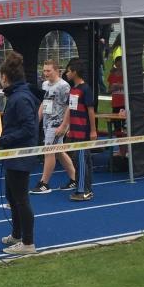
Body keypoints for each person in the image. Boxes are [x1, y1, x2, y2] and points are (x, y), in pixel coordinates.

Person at [0, 51, 40, 253]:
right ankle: (16, 235)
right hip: (13, 153)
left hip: (21, 154)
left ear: (5, 77)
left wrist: (4, 140)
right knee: (12, 196)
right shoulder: (17, 95)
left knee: (21, 199)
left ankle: (28, 243)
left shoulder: (20, 97)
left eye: (0, 77)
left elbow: (29, 128)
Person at [31, 59, 77, 195]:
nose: (46, 73)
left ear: (57, 71)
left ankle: (44, 183)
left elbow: (70, 106)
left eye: (48, 71)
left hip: (57, 124)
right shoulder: (44, 84)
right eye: (44, 70)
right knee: (59, 151)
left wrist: (65, 125)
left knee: (49, 151)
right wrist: (37, 120)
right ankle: (74, 178)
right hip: (47, 123)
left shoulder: (64, 86)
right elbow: (44, 103)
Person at [64, 59, 97, 202]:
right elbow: (71, 110)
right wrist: (69, 128)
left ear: (75, 72)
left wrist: (93, 131)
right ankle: (83, 187)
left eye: (68, 71)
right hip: (75, 131)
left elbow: (91, 111)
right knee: (79, 160)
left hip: (83, 132)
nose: (66, 74)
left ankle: (83, 190)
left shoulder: (85, 89)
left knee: (82, 161)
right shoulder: (73, 89)